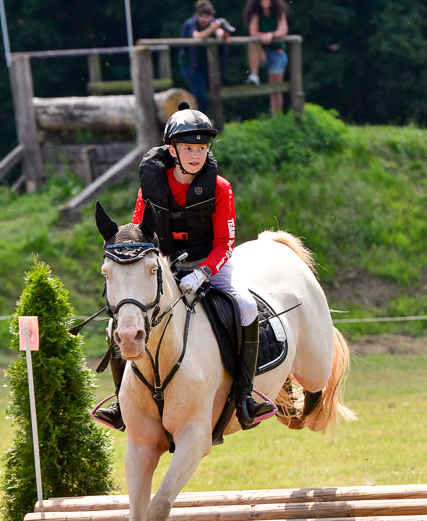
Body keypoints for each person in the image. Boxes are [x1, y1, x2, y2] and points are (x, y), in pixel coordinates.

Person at [94, 102, 276, 432]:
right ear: (172, 150)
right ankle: (121, 401)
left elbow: (225, 243)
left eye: (202, 148)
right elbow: (139, 235)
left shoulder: (220, 188)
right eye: (188, 148)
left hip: (210, 264)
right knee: (115, 326)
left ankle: (245, 396)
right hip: (164, 268)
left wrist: (203, 272)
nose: (196, 155)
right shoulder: (150, 186)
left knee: (246, 306)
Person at [178, 0, 231, 114]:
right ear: (197, 15)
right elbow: (196, 36)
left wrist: (225, 30)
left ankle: (200, 121)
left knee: (206, 95)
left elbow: (221, 36)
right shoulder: (190, 24)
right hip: (190, 65)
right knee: (201, 96)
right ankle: (198, 122)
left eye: (207, 19)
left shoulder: (214, 24)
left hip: (205, 66)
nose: (204, 22)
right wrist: (211, 28)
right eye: (202, 19)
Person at [243, 0, 289, 114]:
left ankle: (276, 117)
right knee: (252, 43)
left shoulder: (278, 12)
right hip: (261, 53)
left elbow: (283, 29)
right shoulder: (257, 13)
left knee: (275, 89)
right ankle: (254, 75)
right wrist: (263, 36)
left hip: (277, 51)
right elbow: (253, 31)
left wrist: (272, 35)